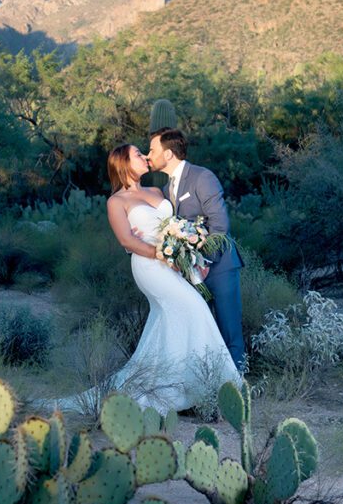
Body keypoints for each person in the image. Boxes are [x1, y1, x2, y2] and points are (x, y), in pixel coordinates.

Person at [47, 143, 240, 415]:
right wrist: (160, 254)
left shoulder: (156, 190)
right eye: (138, 154)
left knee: (173, 319)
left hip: (172, 264)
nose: (145, 157)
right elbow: (127, 240)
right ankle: (202, 386)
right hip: (149, 267)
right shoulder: (116, 201)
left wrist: (182, 246)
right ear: (123, 163)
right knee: (194, 308)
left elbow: (173, 226)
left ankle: (188, 386)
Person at [147, 128, 245, 369]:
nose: (148, 155)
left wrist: (203, 262)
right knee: (202, 333)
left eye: (152, 150)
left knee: (229, 330)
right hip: (189, 273)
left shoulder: (202, 177)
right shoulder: (165, 188)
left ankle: (238, 387)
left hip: (219, 267)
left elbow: (219, 226)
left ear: (168, 154)